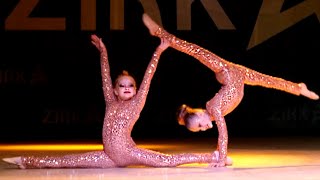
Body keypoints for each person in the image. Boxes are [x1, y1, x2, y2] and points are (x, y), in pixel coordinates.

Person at [2, 32, 233, 168]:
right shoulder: (110, 101)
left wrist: (159, 52)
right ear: (113, 90)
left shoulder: (137, 102)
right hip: (107, 156)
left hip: (129, 152)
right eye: (121, 86)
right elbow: (104, 74)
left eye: (130, 85)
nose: (127, 88)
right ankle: (26, 160)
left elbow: (149, 76)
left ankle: (212, 156)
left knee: (167, 161)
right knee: (67, 161)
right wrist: (103, 52)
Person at [142, 13, 319, 167]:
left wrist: (222, 157)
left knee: (195, 51)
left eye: (199, 126)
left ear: (199, 113)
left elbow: (223, 132)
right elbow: (220, 133)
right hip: (237, 75)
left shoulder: (213, 108)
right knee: (268, 81)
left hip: (225, 70)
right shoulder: (212, 111)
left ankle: (160, 33)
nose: (204, 129)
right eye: (200, 130)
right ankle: (298, 87)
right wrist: (221, 156)